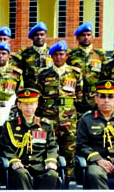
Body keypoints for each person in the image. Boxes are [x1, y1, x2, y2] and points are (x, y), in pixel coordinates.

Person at [35, 41, 83, 183]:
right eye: (55, 55)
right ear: (51, 57)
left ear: (67, 55)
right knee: (48, 146)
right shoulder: (43, 73)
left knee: (69, 148)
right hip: (49, 116)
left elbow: (80, 94)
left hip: (69, 116)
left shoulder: (75, 73)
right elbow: (38, 95)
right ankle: (51, 177)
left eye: (61, 54)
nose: (58, 57)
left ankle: (68, 177)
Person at [0, 89, 61, 190]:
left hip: (40, 165)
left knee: (52, 175)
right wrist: (14, 160)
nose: (29, 107)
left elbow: (52, 146)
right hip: (20, 165)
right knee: (21, 174)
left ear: (36, 104)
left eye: (31, 104)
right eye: (25, 104)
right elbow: (6, 147)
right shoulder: (10, 125)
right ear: (19, 105)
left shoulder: (45, 125)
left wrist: (51, 161)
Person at [67, 22, 107, 116]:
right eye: (83, 35)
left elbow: (105, 77)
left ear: (92, 36)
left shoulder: (99, 55)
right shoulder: (71, 56)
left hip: (94, 98)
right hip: (77, 98)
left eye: (88, 35)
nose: (86, 37)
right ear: (77, 38)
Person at [18, 22, 51, 88]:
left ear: (46, 35)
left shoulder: (52, 52)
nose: (39, 37)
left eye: (42, 34)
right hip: (30, 91)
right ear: (32, 37)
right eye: (36, 35)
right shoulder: (24, 53)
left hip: (49, 90)